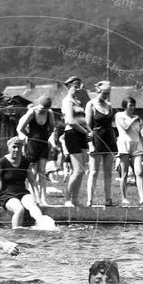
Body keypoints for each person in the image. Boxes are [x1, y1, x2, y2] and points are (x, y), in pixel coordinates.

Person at [0, 137, 54, 229]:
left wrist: (38, 199)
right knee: (19, 209)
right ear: (9, 148)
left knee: (32, 206)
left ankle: (43, 225)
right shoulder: (1, 163)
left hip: (22, 193)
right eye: (14, 147)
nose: (16, 150)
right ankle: (16, 232)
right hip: (7, 195)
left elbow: (33, 182)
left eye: (19, 147)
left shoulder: (25, 162)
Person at [16, 95, 55, 206]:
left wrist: (46, 136)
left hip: (43, 143)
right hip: (32, 144)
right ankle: (34, 197)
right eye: (42, 108)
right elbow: (20, 128)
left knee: (42, 171)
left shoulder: (50, 113)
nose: (43, 110)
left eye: (46, 109)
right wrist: (30, 136)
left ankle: (43, 198)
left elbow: (52, 127)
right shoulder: (32, 113)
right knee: (32, 172)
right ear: (38, 105)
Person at [85, 80, 117, 206]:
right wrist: (90, 144)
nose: (106, 96)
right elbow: (87, 126)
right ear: (98, 91)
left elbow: (111, 124)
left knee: (108, 172)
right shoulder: (91, 105)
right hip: (96, 139)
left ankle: (108, 199)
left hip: (109, 139)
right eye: (104, 93)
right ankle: (90, 199)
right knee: (93, 171)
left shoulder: (109, 105)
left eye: (108, 93)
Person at [60, 75, 90, 207]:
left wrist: (90, 131)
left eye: (79, 86)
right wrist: (86, 132)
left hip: (81, 134)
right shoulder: (67, 101)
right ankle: (67, 199)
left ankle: (75, 199)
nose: (78, 89)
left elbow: (82, 121)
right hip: (72, 134)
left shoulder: (78, 102)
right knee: (77, 170)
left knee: (82, 170)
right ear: (69, 86)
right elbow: (70, 121)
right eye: (75, 86)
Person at [113, 97, 143, 205]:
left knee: (139, 172)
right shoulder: (119, 115)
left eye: (133, 105)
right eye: (130, 105)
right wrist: (134, 119)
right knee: (124, 173)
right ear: (125, 106)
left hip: (136, 144)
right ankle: (124, 198)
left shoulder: (137, 118)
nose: (132, 107)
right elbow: (126, 128)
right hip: (124, 145)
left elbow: (142, 129)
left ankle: (142, 197)